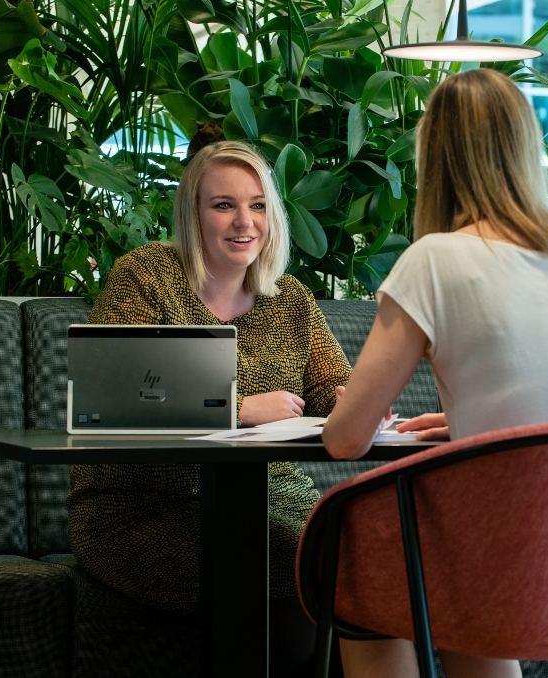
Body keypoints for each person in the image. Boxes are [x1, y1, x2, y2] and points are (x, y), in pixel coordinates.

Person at [321, 68, 548, 678]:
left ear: (436, 159)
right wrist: (483, 422)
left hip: (499, 563)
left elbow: (345, 438)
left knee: (358, 560)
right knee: (463, 558)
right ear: (528, 149)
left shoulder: (435, 260)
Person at [67, 140, 351, 677]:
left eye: (258, 205)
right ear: (192, 213)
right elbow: (115, 392)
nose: (245, 221)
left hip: (277, 502)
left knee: (358, 562)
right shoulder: (146, 277)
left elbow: (333, 383)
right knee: (281, 572)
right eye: (223, 205)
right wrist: (237, 407)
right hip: (139, 508)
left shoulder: (289, 298)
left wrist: (357, 401)